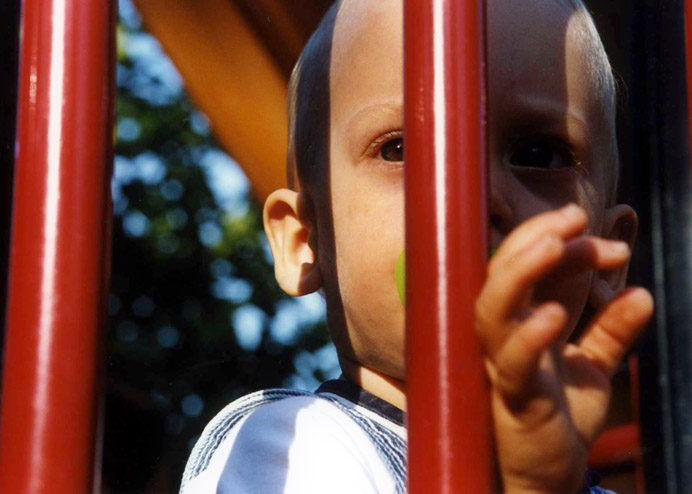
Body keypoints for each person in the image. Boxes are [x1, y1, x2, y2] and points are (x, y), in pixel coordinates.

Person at [181, 0, 655, 492]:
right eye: (399, 149)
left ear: (606, 254)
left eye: (539, 154)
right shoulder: (296, 446)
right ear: (306, 239)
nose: (474, 197)